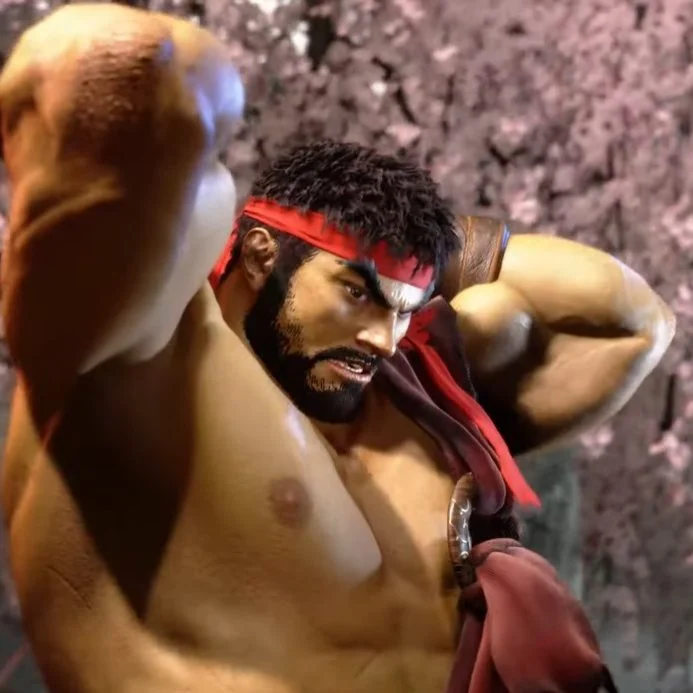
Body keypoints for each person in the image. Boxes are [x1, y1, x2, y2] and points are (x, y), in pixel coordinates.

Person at [0, 4, 674, 693]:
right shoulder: (139, 365)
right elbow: (119, 73)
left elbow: (629, 323)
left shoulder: (413, 390)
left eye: (403, 309)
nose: (384, 336)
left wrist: (416, 248)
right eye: (356, 293)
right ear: (259, 253)